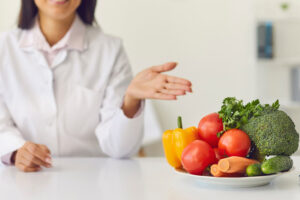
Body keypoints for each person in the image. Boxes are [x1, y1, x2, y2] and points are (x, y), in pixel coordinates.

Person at [0, 0, 192, 172]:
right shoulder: (4, 47)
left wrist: (131, 101)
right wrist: (16, 150)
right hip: (22, 181)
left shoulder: (110, 50)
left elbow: (120, 149)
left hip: (93, 182)